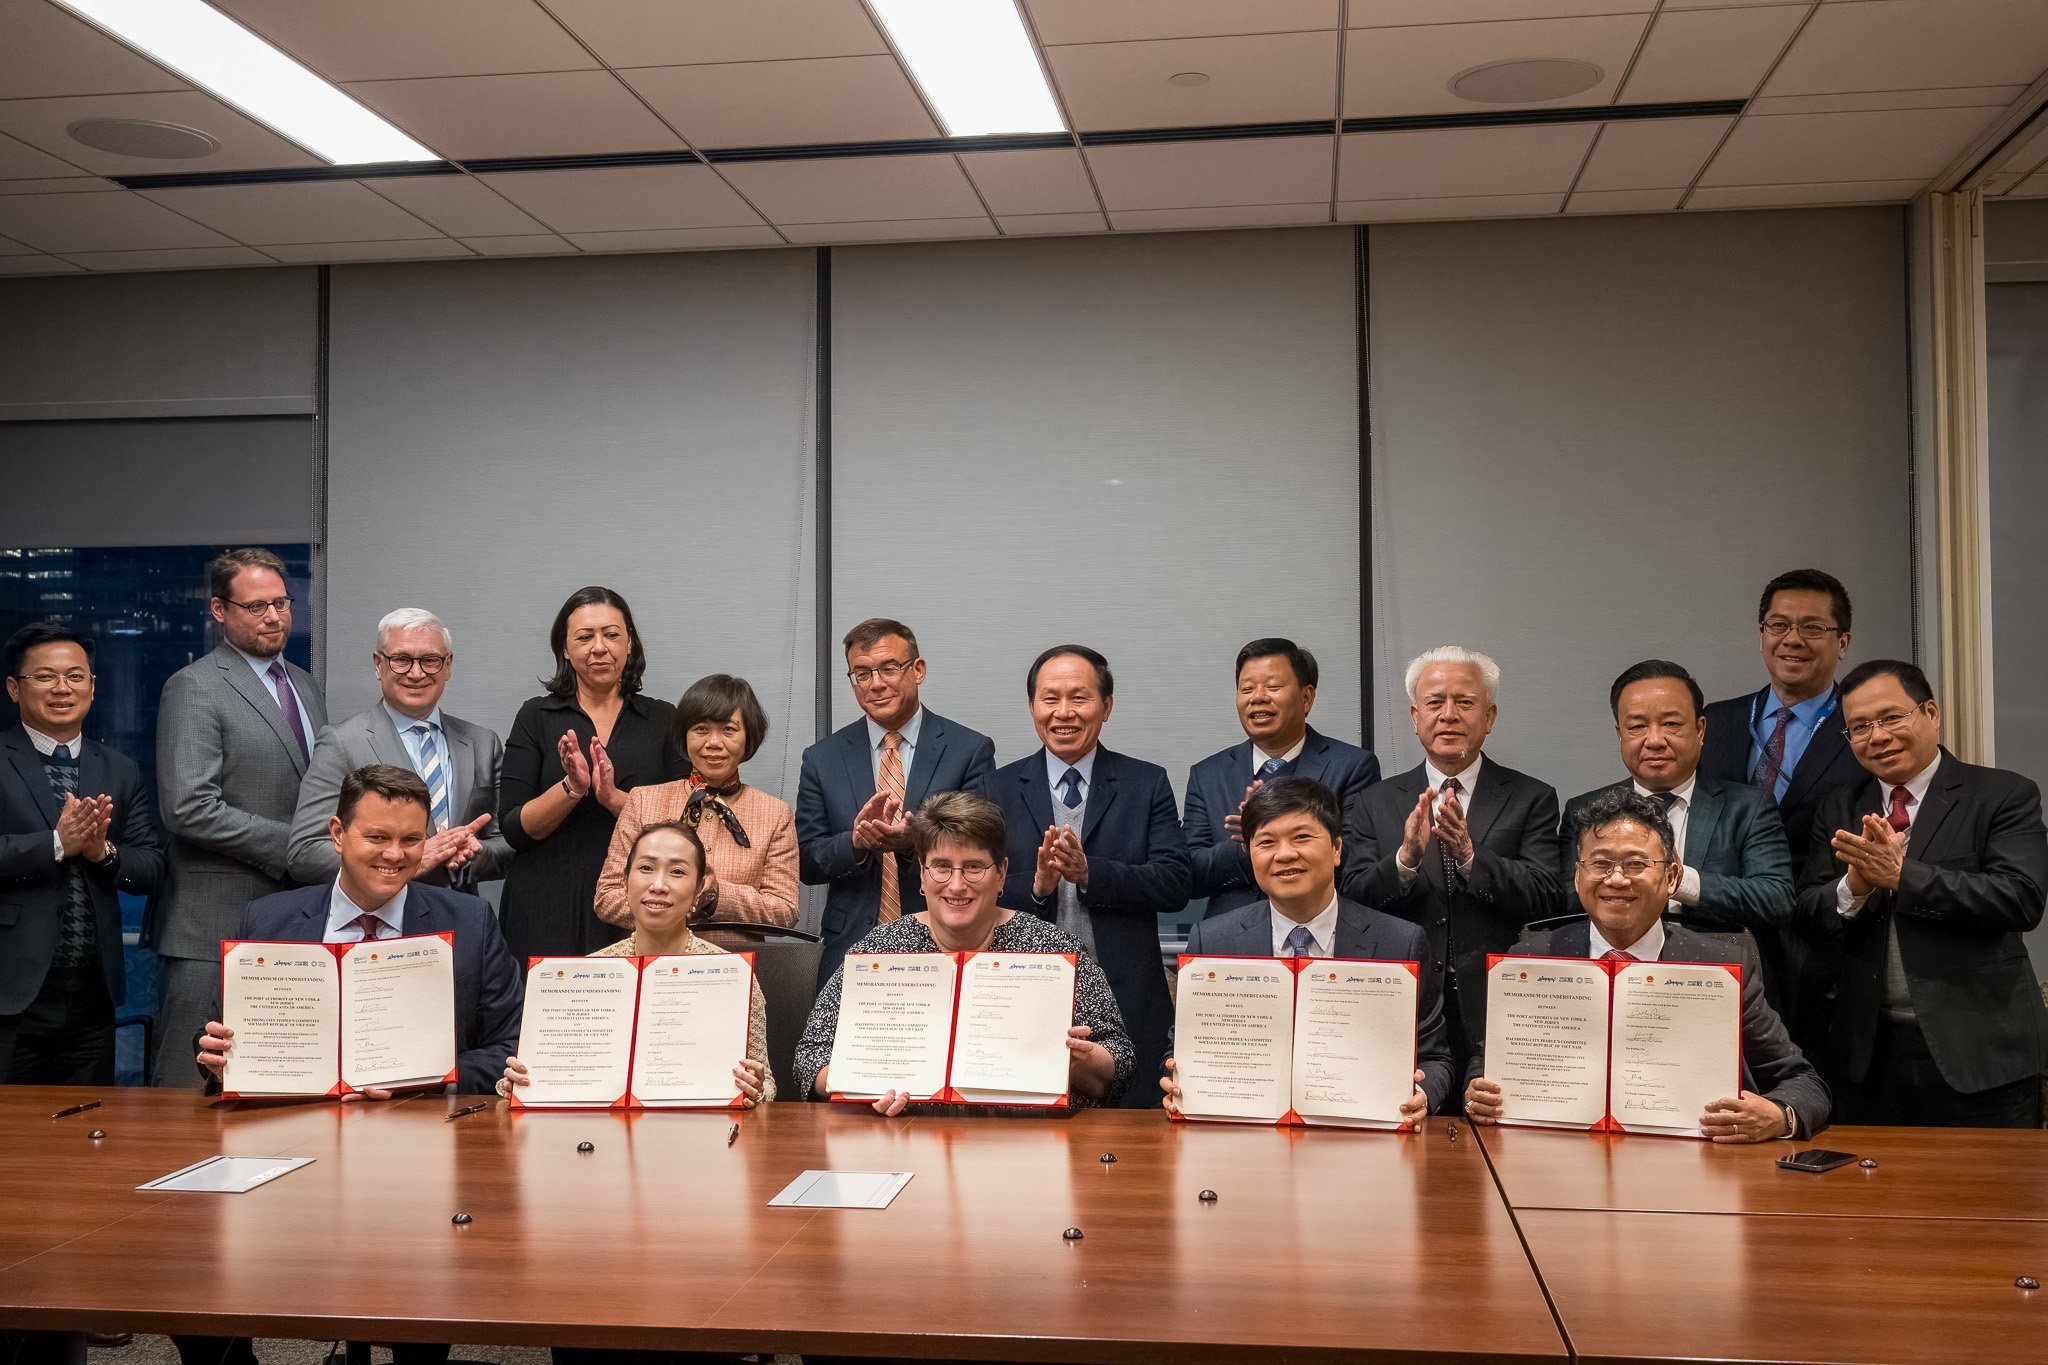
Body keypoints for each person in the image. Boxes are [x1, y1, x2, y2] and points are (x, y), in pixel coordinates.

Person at [185, 765, 522, 1365]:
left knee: (424, 1304)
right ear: (338, 833)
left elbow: (509, 1044)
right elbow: (219, 1039)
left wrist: (421, 1079)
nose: (395, 855)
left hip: (422, 1151)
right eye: (377, 837)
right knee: (196, 1276)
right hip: (287, 1142)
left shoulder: (468, 923)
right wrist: (214, 1057)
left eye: (412, 840)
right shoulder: (268, 920)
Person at [1464, 790, 1830, 1141]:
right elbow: (1486, 1066)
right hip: (1558, 1165)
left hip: (1694, 1171)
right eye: (1600, 863)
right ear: (1577, 877)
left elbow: (1804, 1083)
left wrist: (1780, 1116)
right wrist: (1478, 1091)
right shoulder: (1529, 961)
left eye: (1637, 864)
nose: (1617, 879)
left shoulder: (1723, 968)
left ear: (1671, 877)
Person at [1794, 660, 2048, 1127]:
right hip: (1867, 1052)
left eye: (1891, 718)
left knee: (1990, 1194)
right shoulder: (1840, 805)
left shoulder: (2001, 794)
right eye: (1859, 727)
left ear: (1930, 712)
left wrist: (1901, 876)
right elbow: (1808, 908)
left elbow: (2020, 897)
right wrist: (1855, 886)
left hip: (1979, 1049)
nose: (1878, 736)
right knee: (1873, 1195)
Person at [795, 790, 1132, 1112]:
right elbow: (811, 1059)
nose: (957, 885)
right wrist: (862, 1085)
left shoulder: (1053, 952)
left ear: (1000, 875)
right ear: (923, 877)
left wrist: (1079, 1060)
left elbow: (1121, 1069)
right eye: (941, 866)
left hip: (1035, 1145)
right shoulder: (878, 954)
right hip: (911, 1139)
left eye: (973, 867)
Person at [1163, 777, 1450, 1120]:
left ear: (1336, 849)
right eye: (1266, 841)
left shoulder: (1398, 943)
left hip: (1362, 1140)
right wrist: (1177, 1084)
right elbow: (1182, 1052)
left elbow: (1435, 1060)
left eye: (1301, 837)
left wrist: (1424, 1095)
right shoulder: (1212, 941)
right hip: (1245, 1142)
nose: (1285, 854)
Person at [977, 645, 1190, 1108]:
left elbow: (1176, 882)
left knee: (1138, 1150)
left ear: (1106, 706)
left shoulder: (1145, 782)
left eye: (1079, 698)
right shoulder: (998, 788)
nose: (1063, 713)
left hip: (1128, 993)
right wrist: (1038, 888)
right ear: (1032, 706)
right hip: (1024, 995)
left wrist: (1091, 874)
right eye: (1049, 699)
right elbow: (974, 890)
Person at [1339, 647, 1560, 1085]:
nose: (1449, 714)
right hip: (1406, 1000)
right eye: (1435, 702)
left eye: (1465, 702)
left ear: (1490, 716)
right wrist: (1405, 861)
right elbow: (1352, 896)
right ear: (1415, 716)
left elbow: (1546, 897)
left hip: (1499, 1000)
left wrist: (1470, 857)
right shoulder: (1374, 801)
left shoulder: (1532, 797)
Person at [152, 547, 328, 1086]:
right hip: (210, 925)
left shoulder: (303, 683)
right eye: (256, 607)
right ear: (219, 610)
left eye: (280, 602)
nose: (273, 616)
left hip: (288, 920)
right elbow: (189, 808)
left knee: (271, 1083)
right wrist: (296, 849)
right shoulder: (194, 686)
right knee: (186, 1091)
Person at [1558, 660, 1794, 1004]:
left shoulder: (1747, 806)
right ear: (1619, 733)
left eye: (1670, 724)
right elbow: (1568, 902)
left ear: (1700, 729)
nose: (1655, 740)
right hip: (1607, 987)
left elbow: (1776, 899)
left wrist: (1681, 881)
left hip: (1715, 986)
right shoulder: (1584, 811)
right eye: (1637, 726)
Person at [1699, 569, 1864, 1045]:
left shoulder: (1864, 729)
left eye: (1813, 627)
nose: (1793, 640)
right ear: (1761, 636)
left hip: (1823, 952)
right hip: (1719, 941)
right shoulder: (1717, 721)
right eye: (1779, 625)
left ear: (1843, 641)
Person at [501, 820, 772, 1105]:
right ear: (625, 878)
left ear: (699, 887)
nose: (658, 885)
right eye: (646, 868)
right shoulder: (585, 974)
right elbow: (546, 1075)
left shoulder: (733, 977)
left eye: (677, 872)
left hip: (702, 1136)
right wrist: (518, 1083)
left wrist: (755, 1088)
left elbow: (768, 1087)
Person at [0, 623, 165, 1085]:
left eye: (75, 676)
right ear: (15, 688)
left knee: (84, 1134)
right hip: (11, 995)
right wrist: (56, 844)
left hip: (92, 993)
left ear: (92, 687)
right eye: (45, 677)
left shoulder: (118, 768)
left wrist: (102, 851)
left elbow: (151, 864)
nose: (62, 689)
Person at [796, 617, 996, 986]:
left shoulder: (968, 750)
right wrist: (855, 842)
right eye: (862, 673)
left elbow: (982, 847)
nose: (876, 684)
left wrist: (914, 838)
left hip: (945, 941)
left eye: (889, 668)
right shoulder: (822, 758)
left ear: (917, 670)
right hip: (853, 946)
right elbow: (807, 861)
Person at [497, 587, 685, 961]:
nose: (599, 647)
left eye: (611, 634)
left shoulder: (664, 718)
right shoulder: (536, 716)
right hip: (545, 900)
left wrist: (613, 798)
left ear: (629, 643)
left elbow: (682, 824)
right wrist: (572, 787)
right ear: (565, 650)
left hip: (636, 901)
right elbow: (515, 829)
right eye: (584, 637)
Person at [285, 608, 509, 888]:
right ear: (378, 664)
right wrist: (407, 859)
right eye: (401, 660)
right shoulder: (341, 743)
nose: (416, 673)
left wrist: (471, 854)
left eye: (430, 660)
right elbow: (304, 853)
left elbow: (507, 843)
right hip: (376, 923)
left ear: (448, 665)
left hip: (460, 918)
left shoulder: (482, 743)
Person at [1183, 638, 1380, 919]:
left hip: (1323, 932)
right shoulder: (1208, 774)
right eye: (1246, 689)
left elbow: (1356, 863)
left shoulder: (1353, 766)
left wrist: (1282, 834)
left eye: (1273, 687)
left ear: (1306, 697)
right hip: (1233, 940)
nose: (1258, 697)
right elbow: (1187, 875)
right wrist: (1243, 846)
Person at [595, 674, 798, 929]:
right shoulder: (642, 800)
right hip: (655, 961)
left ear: (749, 737)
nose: (713, 743)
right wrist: (672, 909)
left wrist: (718, 897)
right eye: (701, 729)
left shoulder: (774, 813)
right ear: (684, 735)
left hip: (734, 965)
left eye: (728, 730)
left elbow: (785, 910)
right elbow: (607, 897)